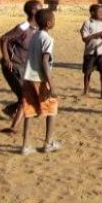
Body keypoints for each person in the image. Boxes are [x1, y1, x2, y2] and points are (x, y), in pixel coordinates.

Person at [20, 8, 60, 155]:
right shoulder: (47, 39)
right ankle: (48, 143)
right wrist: (51, 84)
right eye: (54, 20)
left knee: (29, 111)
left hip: (28, 78)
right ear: (49, 23)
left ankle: (25, 146)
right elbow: (45, 61)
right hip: (40, 79)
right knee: (52, 108)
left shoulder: (34, 35)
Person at [0, 0, 42, 117]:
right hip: (14, 66)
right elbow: (3, 39)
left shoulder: (39, 29)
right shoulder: (23, 26)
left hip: (26, 67)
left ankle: (10, 110)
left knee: (27, 94)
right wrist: (7, 59)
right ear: (33, 11)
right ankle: (13, 125)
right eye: (40, 8)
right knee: (25, 96)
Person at [80, 4, 102, 99]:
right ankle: (86, 91)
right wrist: (97, 34)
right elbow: (84, 38)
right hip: (90, 52)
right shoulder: (87, 23)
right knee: (87, 72)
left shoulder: (101, 24)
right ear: (92, 12)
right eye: (99, 12)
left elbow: (101, 36)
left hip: (100, 52)